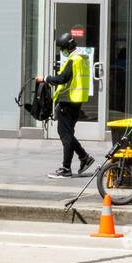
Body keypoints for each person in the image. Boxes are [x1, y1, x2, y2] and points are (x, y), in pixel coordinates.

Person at [37, 33, 95, 179]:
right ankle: (84, 158)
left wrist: (45, 78)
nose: (62, 51)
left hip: (68, 101)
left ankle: (66, 169)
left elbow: (63, 79)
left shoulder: (73, 60)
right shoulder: (83, 58)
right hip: (76, 100)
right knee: (67, 132)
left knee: (65, 134)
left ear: (67, 47)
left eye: (62, 48)